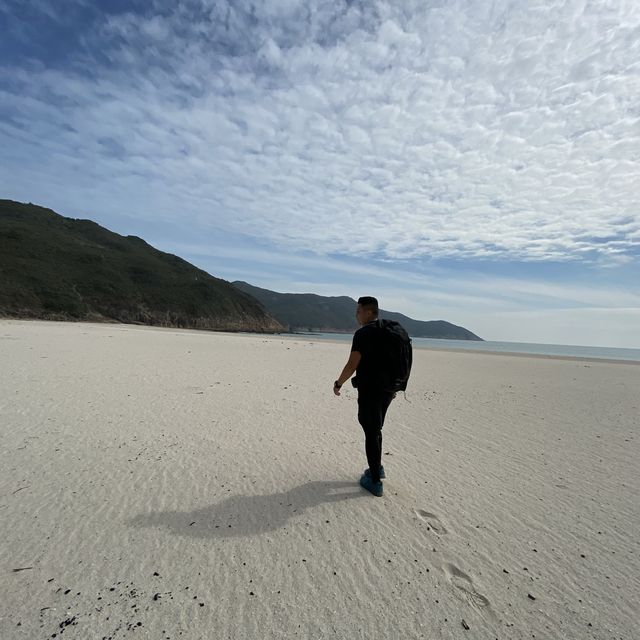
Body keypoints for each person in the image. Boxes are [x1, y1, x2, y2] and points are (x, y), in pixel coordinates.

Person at [333, 296, 395, 497]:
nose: (356, 315)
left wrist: (338, 383)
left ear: (369, 312)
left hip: (371, 390)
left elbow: (352, 365)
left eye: (358, 311)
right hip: (388, 390)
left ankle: (375, 481)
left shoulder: (363, 334)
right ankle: (377, 467)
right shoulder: (389, 332)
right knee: (376, 428)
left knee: (370, 430)